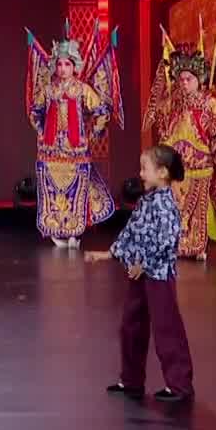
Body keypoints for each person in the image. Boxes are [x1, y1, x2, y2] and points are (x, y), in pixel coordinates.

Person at [87, 145, 194, 403]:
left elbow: (166, 242)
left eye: (145, 169)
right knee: (131, 326)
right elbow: (131, 232)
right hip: (139, 274)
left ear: (163, 173)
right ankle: (131, 380)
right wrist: (109, 254)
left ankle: (179, 385)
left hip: (158, 276)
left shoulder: (166, 204)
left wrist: (144, 264)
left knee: (166, 329)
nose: (141, 174)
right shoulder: (147, 201)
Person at [145, 41, 216, 260]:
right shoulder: (173, 103)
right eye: (181, 79)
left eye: (188, 79)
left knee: (201, 207)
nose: (184, 83)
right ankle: (175, 243)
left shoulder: (209, 103)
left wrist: (214, 146)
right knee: (175, 204)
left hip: (200, 163)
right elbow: (162, 124)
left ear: (199, 79)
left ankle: (200, 245)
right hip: (177, 165)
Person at [27, 33, 120, 248]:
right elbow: (35, 112)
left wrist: (92, 133)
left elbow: (101, 111)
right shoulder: (48, 90)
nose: (62, 69)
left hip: (75, 150)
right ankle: (56, 230)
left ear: (74, 66)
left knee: (75, 190)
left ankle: (74, 232)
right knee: (52, 191)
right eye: (59, 64)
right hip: (50, 151)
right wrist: (41, 131)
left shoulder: (82, 90)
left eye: (67, 64)